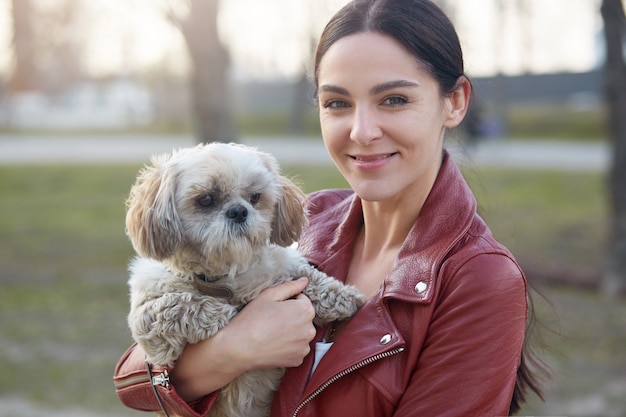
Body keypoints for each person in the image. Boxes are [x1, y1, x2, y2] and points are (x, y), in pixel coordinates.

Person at [114, 0, 545, 415]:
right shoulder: (311, 219)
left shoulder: (481, 279)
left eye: (394, 99)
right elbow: (133, 382)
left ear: (455, 102)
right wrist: (228, 352)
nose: (362, 130)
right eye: (337, 103)